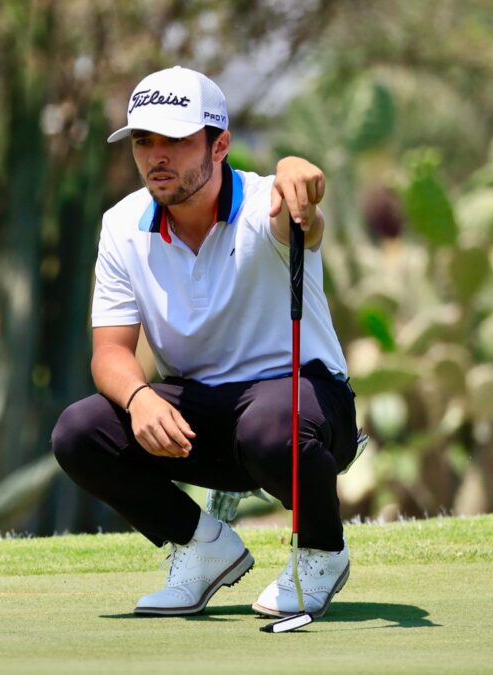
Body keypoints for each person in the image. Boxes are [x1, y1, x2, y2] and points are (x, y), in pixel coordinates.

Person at [51, 66, 358, 618]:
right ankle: (201, 547)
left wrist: (299, 177)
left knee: (269, 424)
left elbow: (303, 219)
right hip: (201, 420)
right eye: (144, 141)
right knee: (79, 431)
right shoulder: (122, 225)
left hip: (302, 414)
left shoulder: (268, 204)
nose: (156, 156)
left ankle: (321, 551)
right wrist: (140, 398)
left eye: (175, 140)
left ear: (220, 146)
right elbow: (111, 353)